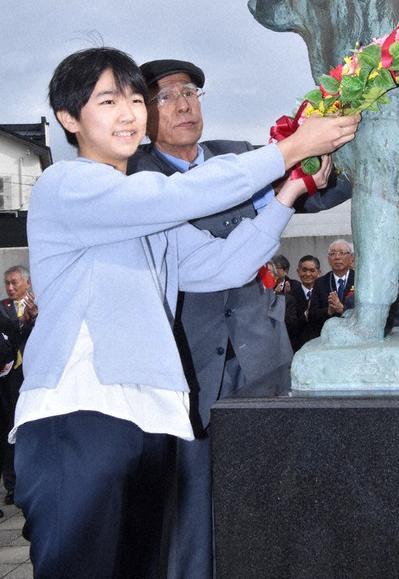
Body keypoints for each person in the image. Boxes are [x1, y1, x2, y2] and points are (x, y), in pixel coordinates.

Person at [12, 47, 359, 579]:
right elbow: (179, 196)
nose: (129, 113)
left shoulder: (146, 216)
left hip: (149, 423)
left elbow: (224, 264)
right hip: (78, 418)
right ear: (68, 118)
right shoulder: (67, 185)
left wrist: (289, 191)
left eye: (133, 99)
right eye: (108, 100)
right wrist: (289, 149)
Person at [128, 59, 360, 579]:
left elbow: (322, 186)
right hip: (189, 371)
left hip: (263, 360)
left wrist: (339, 141)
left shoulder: (240, 155)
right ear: (141, 114)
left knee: (274, 497)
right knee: (191, 514)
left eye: (191, 92)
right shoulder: (137, 176)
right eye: (165, 97)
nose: (184, 104)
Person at [0, 267, 37, 507]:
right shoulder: (2, 308)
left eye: (14, 283)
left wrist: (32, 319)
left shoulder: (42, 305)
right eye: (7, 284)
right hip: (8, 379)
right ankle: (12, 486)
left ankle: (33, 482)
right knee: (8, 430)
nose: (10, 288)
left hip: (33, 377)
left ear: (27, 282)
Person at [307, 240, 355, 340]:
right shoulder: (320, 283)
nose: (337, 257)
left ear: (351, 258)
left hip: (354, 335)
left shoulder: (360, 280)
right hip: (328, 337)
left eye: (341, 253)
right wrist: (329, 311)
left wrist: (343, 309)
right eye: (333, 254)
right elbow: (312, 314)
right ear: (329, 259)